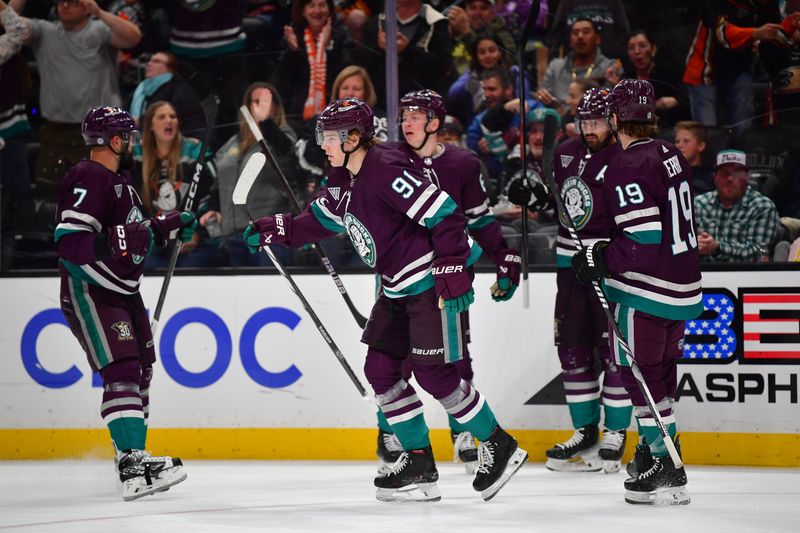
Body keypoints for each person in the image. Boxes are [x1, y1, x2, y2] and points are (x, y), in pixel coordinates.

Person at [243, 98, 527, 502]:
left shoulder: (386, 167)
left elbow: (444, 213)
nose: (322, 144)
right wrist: (274, 228)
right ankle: (418, 462)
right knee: (381, 370)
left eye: (328, 137)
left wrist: (450, 264)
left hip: (428, 282)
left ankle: (499, 444)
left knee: (436, 375)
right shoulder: (343, 179)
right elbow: (317, 221)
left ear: (353, 138)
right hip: (395, 289)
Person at [374, 89, 521, 475]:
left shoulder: (461, 163)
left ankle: (465, 432)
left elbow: (479, 219)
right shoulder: (389, 159)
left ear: (435, 123)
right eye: (402, 116)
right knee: (390, 360)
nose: (405, 123)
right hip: (398, 278)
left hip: (444, 282)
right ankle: (391, 433)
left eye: (415, 117)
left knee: (450, 358)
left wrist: (504, 256)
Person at [571, 79, 702, 505]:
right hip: (682, 286)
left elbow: (642, 240)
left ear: (614, 118)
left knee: (639, 377)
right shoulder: (670, 153)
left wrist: (599, 257)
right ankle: (653, 452)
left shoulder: (629, 165)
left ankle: (667, 462)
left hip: (647, 291)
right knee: (659, 376)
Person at [54, 106, 195, 500]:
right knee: (123, 368)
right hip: (92, 288)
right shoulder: (87, 176)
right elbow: (69, 241)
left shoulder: (122, 182)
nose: (131, 143)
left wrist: (166, 226)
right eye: (127, 137)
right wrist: (115, 239)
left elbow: (133, 232)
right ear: (115, 140)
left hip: (123, 291)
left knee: (141, 371)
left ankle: (133, 457)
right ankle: (134, 463)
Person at [509, 88, 632, 473]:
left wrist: (610, 255)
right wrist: (535, 197)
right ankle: (585, 430)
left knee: (613, 350)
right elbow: (560, 202)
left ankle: (615, 432)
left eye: (597, 122)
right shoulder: (564, 151)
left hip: (609, 264)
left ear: (612, 121)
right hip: (569, 264)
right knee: (573, 348)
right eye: (585, 122)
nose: (590, 129)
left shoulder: (625, 156)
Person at [17, 0, 142, 191]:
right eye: (60, 2)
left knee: (100, 194)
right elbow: (8, 22)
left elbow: (133, 38)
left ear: (86, 6)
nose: (64, 6)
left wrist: (99, 12)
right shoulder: (44, 31)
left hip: (100, 133)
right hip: (56, 131)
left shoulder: (100, 29)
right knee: (50, 195)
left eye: (72, 2)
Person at [213, 82, 298, 267]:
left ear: (275, 106)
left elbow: (287, 155)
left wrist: (266, 123)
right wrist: (211, 207)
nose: (260, 106)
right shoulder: (234, 142)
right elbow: (219, 178)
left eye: (265, 101)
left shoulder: (284, 135)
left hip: (268, 233)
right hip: (232, 234)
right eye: (255, 101)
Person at [682, 0, 797, 136]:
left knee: (743, 130)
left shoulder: (765, 6)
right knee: (707, 133)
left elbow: (771, 38)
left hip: (739, 71)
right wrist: (755, 33)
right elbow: (723, 34)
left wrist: (789, 28)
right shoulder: (717, 3)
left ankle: (741, 155)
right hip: (705, 72)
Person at [134, 101, 222, 268]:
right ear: (150, 126)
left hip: (192, 237)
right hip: (155, 237)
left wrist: (196, 232)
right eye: (162, 117)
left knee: (190, 266)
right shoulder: (138, 155)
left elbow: (211, 194)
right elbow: (134, 201)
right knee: (144, 265)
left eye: (173, 116)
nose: (169, 121)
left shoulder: (195, 151)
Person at [272, 0, 357, 131]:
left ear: (329, 9)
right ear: (302, 10)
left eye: (322, 5)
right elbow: (281, 82)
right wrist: (293, 52)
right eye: (311, 5)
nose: (317, 11)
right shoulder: (294, 35)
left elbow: (347, 74)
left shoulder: (341, 33)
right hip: (298, 114)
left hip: (335, 111)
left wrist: (328, 47)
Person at [360, 0, 456, 108]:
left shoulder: (437, 23)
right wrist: (380, 49)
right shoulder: (377, 22)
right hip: (378, 105)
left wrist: (407, 50)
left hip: (420, 106)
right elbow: (362, 65)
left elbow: (443, 70)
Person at [693, 149, 781, 262]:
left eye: (737, 173)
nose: (730, 178)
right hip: (703, 275)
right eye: (724, 173)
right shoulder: (698, 204)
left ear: (747, 177)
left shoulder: (763, 207)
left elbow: (759, 253)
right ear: (715, 178)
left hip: (747, 277)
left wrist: (717, 248)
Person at [606, 29, 689, 128]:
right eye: (631, 48)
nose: (637, 51)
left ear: (653, 49)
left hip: (667, 128)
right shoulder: (627, 78)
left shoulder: (669, 72)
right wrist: (618, 87)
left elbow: (686, 100)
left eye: (642, 46)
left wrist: (676, 101)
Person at [539, 18, 619, 110]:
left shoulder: (610, 67)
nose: (580, 36)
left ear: (597, 39)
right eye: (575, 33)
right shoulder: (555, 67)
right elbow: (545, 99)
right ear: (570, 41)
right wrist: (542, 97)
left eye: (586, 32)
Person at [128, 51, 205, 135]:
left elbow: (176, 112)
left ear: (169, 68)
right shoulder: (141, 87)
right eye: (149, 61)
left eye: (156, 61)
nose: (149, 64)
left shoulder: (179, 87)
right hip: (141, 137)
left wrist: (141, 121)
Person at [546, 0, 630, 61]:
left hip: (607, 67)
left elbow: (624, 32)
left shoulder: (613, 2)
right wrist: (553, 61)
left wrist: (616, 60)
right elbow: (555, 36)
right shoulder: (567, 2)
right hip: (573, 68)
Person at [674, 121, 713, 194]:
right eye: (677, 141)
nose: (679, 145)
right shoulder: (667, 174)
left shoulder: (710, 177)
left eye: (686, 141)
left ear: (701, 146)